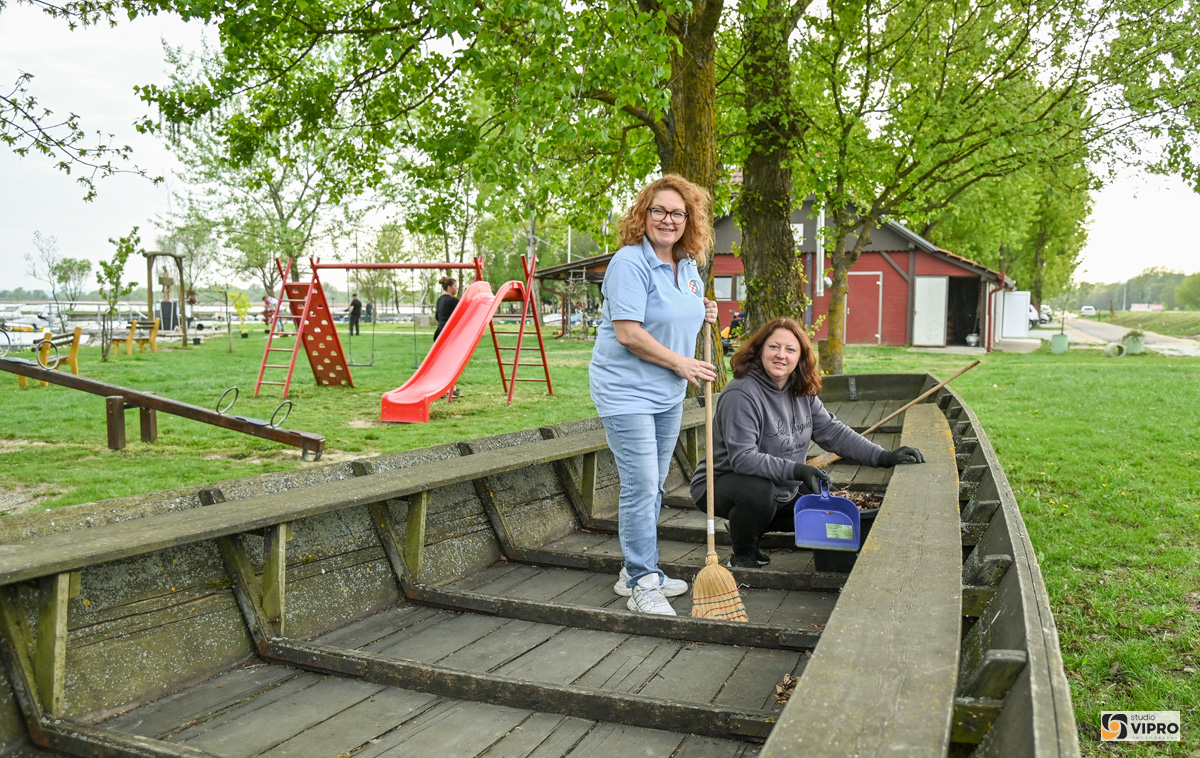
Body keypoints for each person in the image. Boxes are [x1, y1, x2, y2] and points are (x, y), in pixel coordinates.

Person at [690, 317, 926, 568]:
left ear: (800, 357)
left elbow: (834, 433)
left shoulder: (801, 390)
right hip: (721, 484)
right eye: (774, 347)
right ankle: (744, 552)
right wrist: (798, 470)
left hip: (780, 484)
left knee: (822, 509)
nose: (781, 355)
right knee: (758, 494)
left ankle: (748, 523)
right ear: (759, 351)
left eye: (790, 349)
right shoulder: (741, 394)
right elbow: (743, 459)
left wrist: (883, 457)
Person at [589, 174, 719, 616]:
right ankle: (643, 580)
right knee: (642, 485)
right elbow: (628, 333)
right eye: (658, 211)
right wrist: (682, 364)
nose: (668, 220)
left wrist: (704, 311)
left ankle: (633, 571)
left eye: (677, 213)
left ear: (689, 220)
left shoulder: (689, 267)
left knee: (654, 485)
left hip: (666, 394)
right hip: (626, 392)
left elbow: (679, 310)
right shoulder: (630, 262)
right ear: (643, 216)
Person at [434, 277, 459, 342]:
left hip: (439, 332)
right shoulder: (453, 301)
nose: (457, 288)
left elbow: (437, 316)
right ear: (449, 287)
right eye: (455, 286)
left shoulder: (440, 299)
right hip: (448, 332)